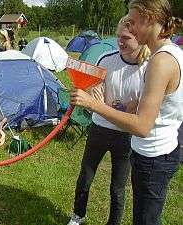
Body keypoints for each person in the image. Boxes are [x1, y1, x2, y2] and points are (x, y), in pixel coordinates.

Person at [70, 1, 183, 224]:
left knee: (143, 216)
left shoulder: (159, 61)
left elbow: (142, 126)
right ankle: (78, 214)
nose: (129, 30)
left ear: (149, 18)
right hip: (156, 152)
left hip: (153, 156)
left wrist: (94, 105)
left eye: (132, 23)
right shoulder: (171, 54)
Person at [67, 15, 150, 225]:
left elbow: (139, 110)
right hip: (99, 128)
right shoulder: (106, 59)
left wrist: (116, 107)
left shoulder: (148, 69)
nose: (120, 42)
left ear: (140, 38)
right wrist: (95, 89)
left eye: (126, 38)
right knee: (85, 176)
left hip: (125, 135)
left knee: (118, 187)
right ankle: (78, 216)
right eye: (118, 36)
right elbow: (96, 89)